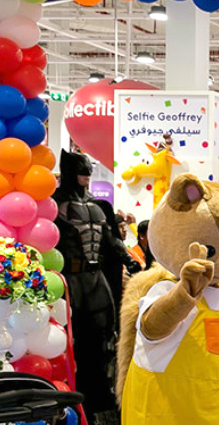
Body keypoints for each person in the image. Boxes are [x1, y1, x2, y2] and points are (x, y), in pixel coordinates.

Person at [53, 149, 141, 423]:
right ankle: (77, 392)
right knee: (73, 336)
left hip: (97, 277)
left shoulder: (99, 206)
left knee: (105, 338)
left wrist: (129, 259)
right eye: (82, 173)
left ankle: (101, 395)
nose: (86, 178)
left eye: (88, 173)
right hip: (70, 278)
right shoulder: (55, 204)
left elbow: (110, 240)